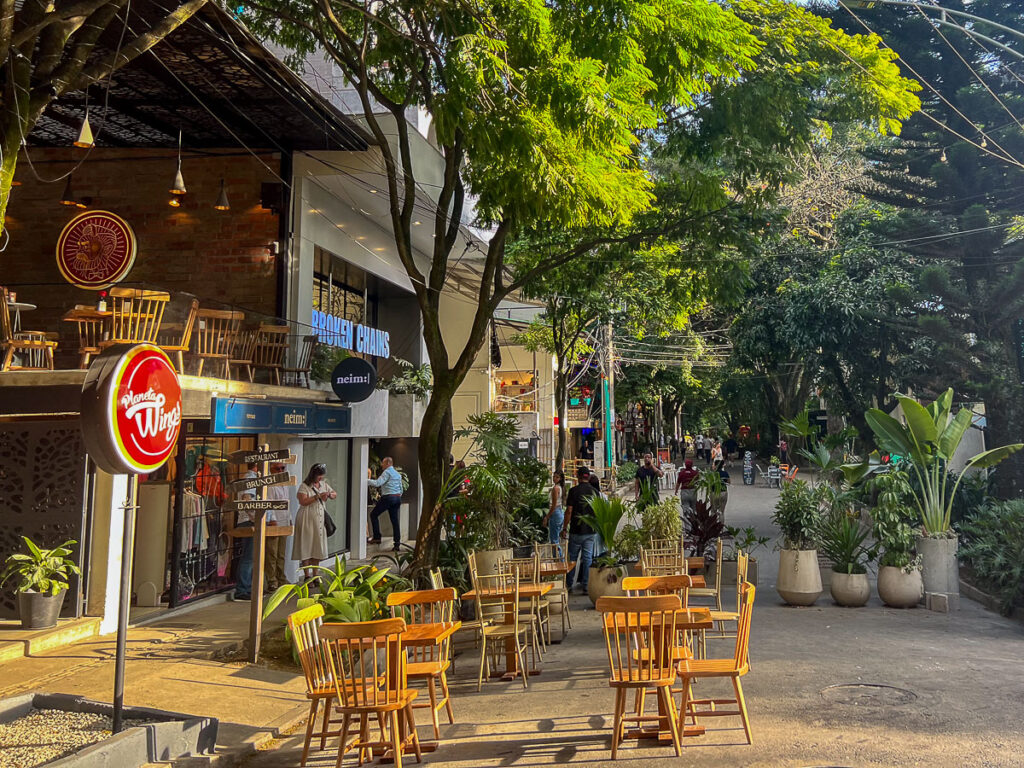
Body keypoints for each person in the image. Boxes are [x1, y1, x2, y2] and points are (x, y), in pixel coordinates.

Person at [562, 467, 600, 594]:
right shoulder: (595, 492)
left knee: (572, 558)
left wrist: (564, 528)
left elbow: (569, 511)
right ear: (588, 477)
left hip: (576, 530)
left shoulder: (573, 491)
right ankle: (586, 586)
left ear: (578, 477)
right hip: (590, 531)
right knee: (587, 558)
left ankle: (569, 584)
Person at [295, 463, 335, 580]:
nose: (321, 478)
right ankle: (307, 575)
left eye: (322, 476)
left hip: (319, 519)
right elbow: (303, 501)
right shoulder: (304, 486)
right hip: (307, 518)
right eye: (319, 476)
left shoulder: (323, 484)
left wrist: (330, 495)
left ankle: (316, 574)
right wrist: (317, 497)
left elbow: (334, 493)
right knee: (306, 545)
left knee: (317, 546)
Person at [233, 462, 258, 601]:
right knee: (249, 557)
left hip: (247, 520)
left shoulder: (248, 479)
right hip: (249, 521)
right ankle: (243, 589)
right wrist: (254, 517)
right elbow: (247, 499)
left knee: (250, 556)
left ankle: (247, 588)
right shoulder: (250, 479)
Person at [264, 461, 290, 591]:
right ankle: (272, 580)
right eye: (277, 468)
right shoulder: (270, 483)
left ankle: (281, 577)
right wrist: (272, 519)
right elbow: (269, 502)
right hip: (275, 521)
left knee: (281, 553)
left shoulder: (284, 483)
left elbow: (286, 501)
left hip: (284, 520)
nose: (280, 470)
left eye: (282, 468)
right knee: (271, 553)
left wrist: (289, 518)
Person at [368, 457, 404, 551]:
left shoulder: (387, 472)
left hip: (388, 497)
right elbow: (401, 488)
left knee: (373, 515)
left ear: (388, 463)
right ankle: (397, 544)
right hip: (397, 498)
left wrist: (365, 481)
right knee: (395, 521)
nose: (381, 465)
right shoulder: (397, 474)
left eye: (383, 463)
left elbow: (378, 483)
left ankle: (377, 537)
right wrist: (397, 496)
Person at [543, 470, 565, 552]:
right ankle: (558, 558)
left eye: (557, 477)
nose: (554, 478)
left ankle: (559, 559)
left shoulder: (556, 488)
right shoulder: (559, 487)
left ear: (560, 478)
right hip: (559, 512)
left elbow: (554, 505)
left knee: (554, 540)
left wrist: (547, 517)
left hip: (555, 512)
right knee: (555, 538)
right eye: (554, 476)